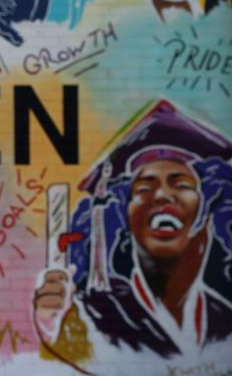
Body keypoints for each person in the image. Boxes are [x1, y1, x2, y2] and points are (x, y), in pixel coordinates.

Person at [33, 101, 232, 359]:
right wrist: (52, 326)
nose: (162, 195)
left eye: (182, 183)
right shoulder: (92, 316)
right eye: (143, 188)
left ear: (206, 210)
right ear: (126, 215)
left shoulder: (224, 318)